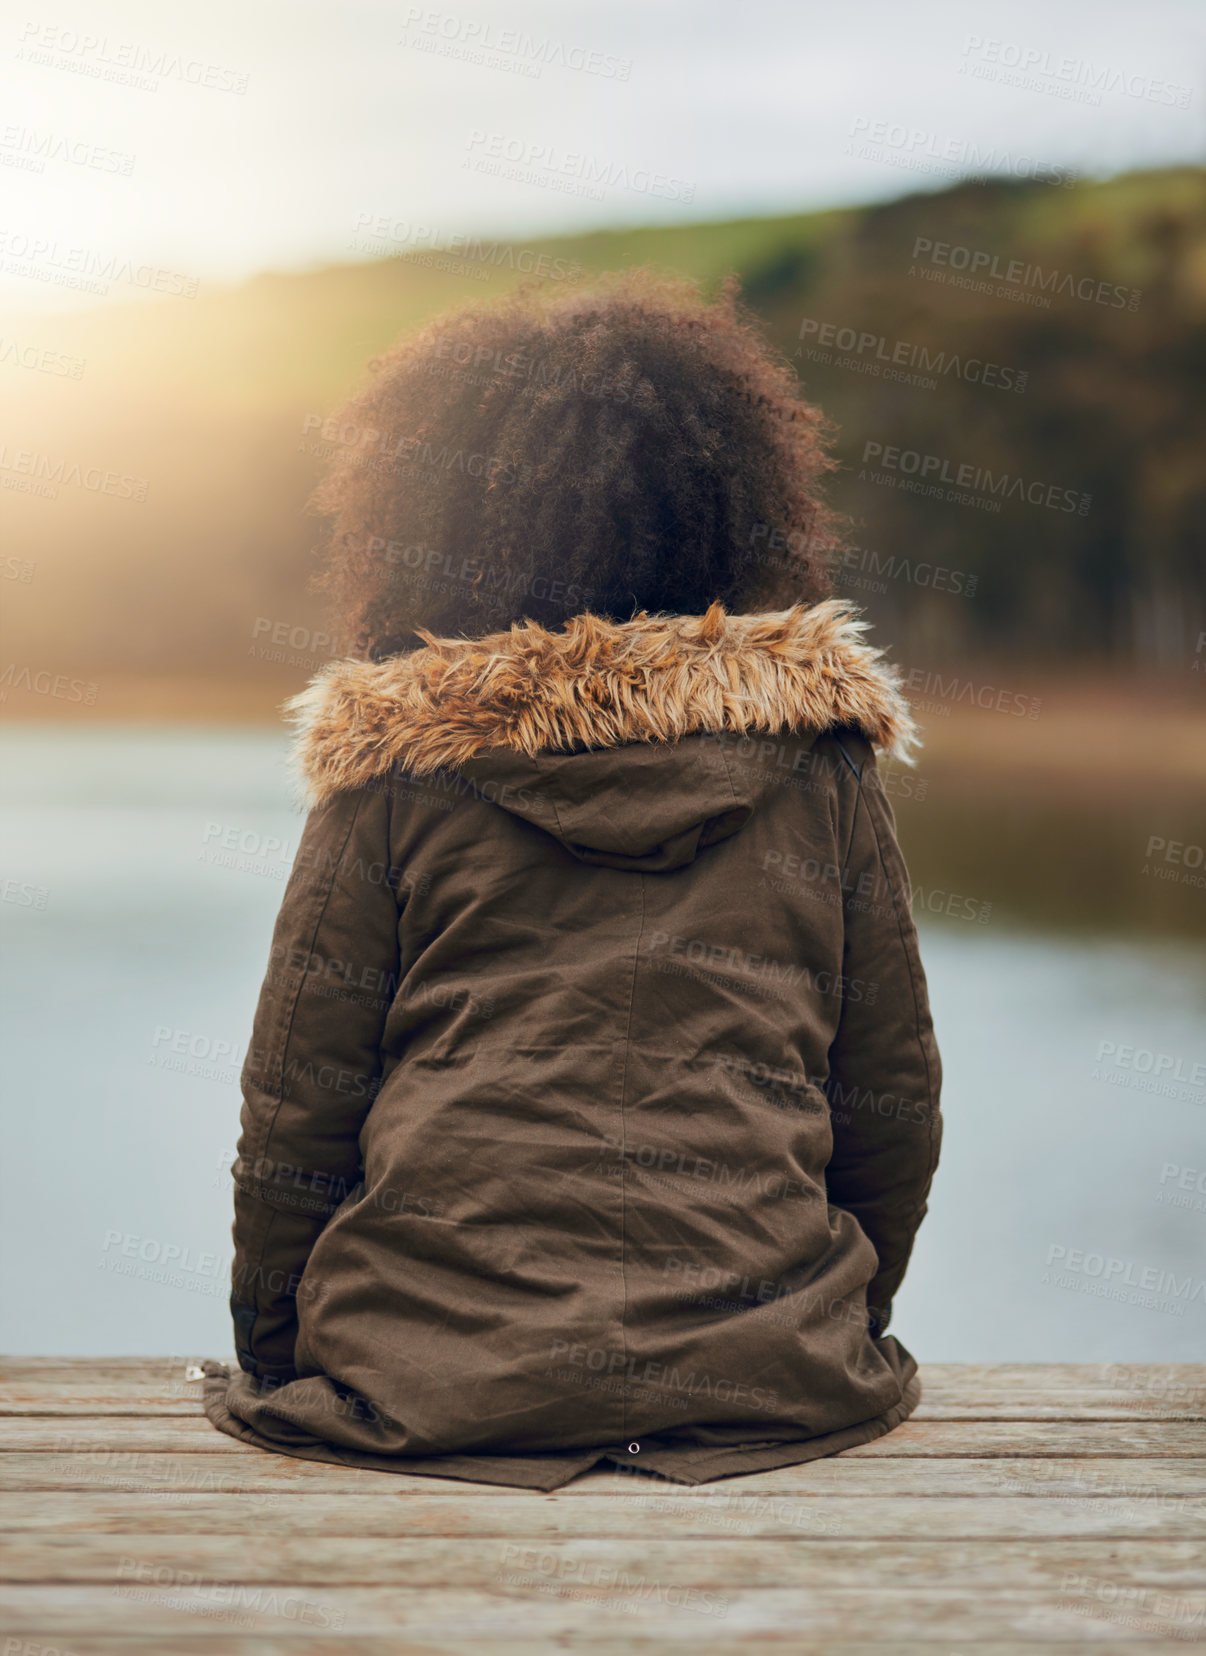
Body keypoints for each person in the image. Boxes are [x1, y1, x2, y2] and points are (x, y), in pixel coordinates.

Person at [202, 268, 943, 1490]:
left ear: (429, 514)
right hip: (772, 1384)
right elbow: (889, 1102)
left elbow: (298, 1109)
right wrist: (828, 1334)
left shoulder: (394, 776)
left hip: (423, 1380)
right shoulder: (820, 770)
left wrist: (286, 1362)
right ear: (735, 510)